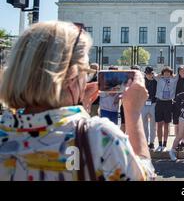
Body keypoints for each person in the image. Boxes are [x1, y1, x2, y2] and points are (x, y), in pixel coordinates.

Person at [0, 21, 155, 181]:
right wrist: (133, 113)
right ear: (71, 76)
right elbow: (144, 177)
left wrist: (81, 108)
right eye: (86, 71)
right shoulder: (99, 136)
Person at [154, 66, 179, 152]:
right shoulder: (159, 79)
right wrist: (160, 74)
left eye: (168, 73)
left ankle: (165, 144)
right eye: (165, 73)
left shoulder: (173, 80)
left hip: (168, 103)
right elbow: (154, 75)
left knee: (166, 124)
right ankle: (159, 144)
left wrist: (173, 75)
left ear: (171, 74)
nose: (166, 74)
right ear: (163, 73)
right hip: (159, 102)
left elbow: (179, 74)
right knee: (159, 124)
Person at [142, 66, 157, 150]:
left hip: (153, 103)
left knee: (153, 124)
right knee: (144, 124)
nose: (148, 75)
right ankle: (145, 141)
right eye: (147, 73)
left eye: (150, 73)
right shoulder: (142, 80)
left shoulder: (156, 80)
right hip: (143, 103)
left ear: (152, 73)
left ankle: (151, 142)